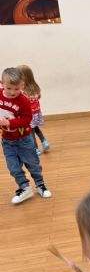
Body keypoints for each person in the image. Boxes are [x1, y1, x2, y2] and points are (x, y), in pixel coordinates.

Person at [0, 68, 52, 204]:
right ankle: (25, 188)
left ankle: (40, 185)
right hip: (7, 140)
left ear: (22, 86)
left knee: (33, 164)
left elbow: (27, 119)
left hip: (24, 140)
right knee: (13, 167)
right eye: (9, 88)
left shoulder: (23, 101)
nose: (12, 92)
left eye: (16, 89)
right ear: (2, 83)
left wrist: (9, 122)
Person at [16, 65, 50, 156]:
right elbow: (39, 97)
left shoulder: (23, 90)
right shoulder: (35, 87)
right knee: (36, 129)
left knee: (31, 132)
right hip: (36, 113)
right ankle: (44, 142)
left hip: (29, 115)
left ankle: (35, 149)